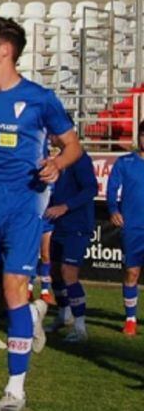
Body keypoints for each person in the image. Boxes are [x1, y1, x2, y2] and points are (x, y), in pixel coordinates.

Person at [0, 16, 82, 411]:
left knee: (12, 290)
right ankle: (35, 311)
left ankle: (15, 393)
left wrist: (58, 164)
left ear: (5, 49)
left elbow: (73, 145)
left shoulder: (40, 98)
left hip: (26, 206)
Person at [42, 135, 96, 343]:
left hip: (78, 224)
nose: (50, 137)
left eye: (53, 133)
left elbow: (91, 189)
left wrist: (65, 207)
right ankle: (64, 314)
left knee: (68, 272)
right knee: (54, 270)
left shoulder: (80, 158)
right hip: (61, 224)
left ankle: (80, 326)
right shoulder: (59, 159)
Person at [106, 123, 144, 337]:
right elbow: (112, 188)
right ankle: (130, 319)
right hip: (134, 228)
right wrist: (113, 209)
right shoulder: (125, 162)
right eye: (143, 135)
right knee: (132, 272)